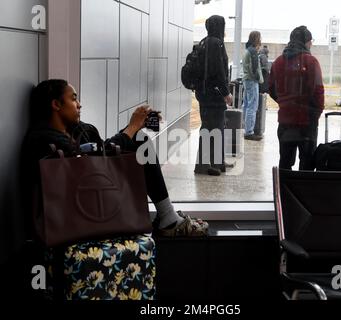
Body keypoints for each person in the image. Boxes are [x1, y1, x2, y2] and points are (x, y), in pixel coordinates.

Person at [21, 79, 208, 238]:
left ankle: (167, 215)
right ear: (56, 104)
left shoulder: (78, 130)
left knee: (140, 140)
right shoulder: (43, 140)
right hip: (75, 211)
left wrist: (135, 127)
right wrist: (132, 126)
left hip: (94, 195)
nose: (79, 105)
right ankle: (167, 219)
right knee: (135, 137)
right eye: (73, 98)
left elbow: (103, 151)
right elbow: (94, 161)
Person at [269, 26, 325, 170]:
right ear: (306, 42)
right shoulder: (311, 62)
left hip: (285, 121)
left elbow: (271, 89)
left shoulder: (278, 62)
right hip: (307, 122)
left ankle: (283, 190)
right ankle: (303, 192)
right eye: (310, 41)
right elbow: (318, 92)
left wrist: (285, 103)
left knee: (285, 161)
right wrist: (316, 113)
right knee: (307, 163)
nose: (311, 44)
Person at [194, 15, 233, 176]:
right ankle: (204, 165)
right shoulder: (216, 44)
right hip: (213, 94)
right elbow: (219, 72)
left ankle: (217, 162)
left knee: (213, 127)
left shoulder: (204, 42)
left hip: (204, 93)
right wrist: (226, 93)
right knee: (213, 128)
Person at [242, 31, 263, 141]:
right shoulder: (253, 52)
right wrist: (259, 79)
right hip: (252, 81)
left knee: (246, 105)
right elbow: (255, 69)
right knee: (252, 106)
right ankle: (249, 132)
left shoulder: (247, 50)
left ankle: (245, 128)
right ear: (257, 39)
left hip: (246, 80)